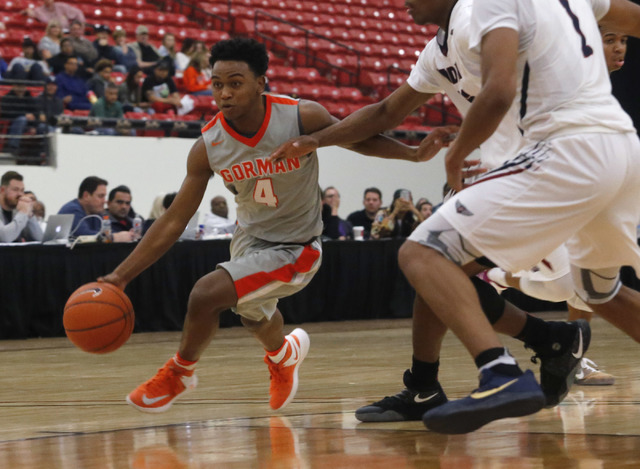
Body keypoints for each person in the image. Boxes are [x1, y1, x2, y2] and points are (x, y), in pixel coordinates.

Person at [269, 0, 640, 433]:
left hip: (554, 158)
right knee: (598, 292)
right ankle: (438, 381)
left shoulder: (479, 7)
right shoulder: (443, 46)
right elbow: (387, 112)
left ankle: (501, 372)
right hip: (617, 148)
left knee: (425, 255)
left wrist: (459, 152)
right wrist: (316, 140)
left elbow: (498, 91)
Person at [97, 37, 422, 414]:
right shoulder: (208, 145)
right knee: (256, 316)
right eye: (217, 84)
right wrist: (120, 276)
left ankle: (180, 372)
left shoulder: (301, 116)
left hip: (297, 247)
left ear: (261, 83)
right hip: (248, 240)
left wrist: (413, 154)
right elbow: (174, 219)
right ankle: (283, 355)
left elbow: (357, 138)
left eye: (235, 83)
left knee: (205, 295)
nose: (224, 93)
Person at [0, 83, 43, 156]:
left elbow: (36, 114)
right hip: (11, 125)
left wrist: (33, 126)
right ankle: (13, 148)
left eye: (23, 87)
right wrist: (25, 115)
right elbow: (6, 113)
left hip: (29, 125)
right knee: (22, 120)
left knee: (43, 127)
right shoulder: (7, 98)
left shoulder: (30, 98)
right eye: (19, 86)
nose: (21, 89)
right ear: (14, 87)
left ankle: (42, 152)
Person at [0, 171, 43, 242]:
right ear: (2, 190)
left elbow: (39, 238)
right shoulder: (21, 212)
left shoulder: (18, 209)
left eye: (22, 190)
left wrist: (30, 215)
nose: (20, 194)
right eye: (15, 190)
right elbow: (4, 238)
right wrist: (23, 213)